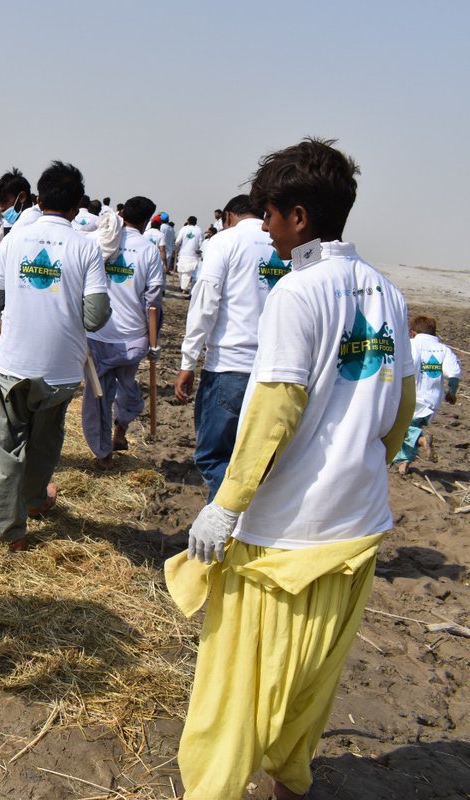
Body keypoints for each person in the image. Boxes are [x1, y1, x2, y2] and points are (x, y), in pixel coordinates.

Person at [169, 138, 415, 800]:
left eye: (270, 216)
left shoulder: (299, 293)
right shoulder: (388, 294)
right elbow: (402, 408)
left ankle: (211, 790)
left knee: (234, 687)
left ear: (299, 217)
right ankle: (288, 782)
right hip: (357, 526)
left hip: (285, 535)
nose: (266, 230)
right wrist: (358, 465)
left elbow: (274, 411)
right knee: (312, 677)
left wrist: (227, 502)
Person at [0, 161, 110, 551]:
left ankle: (8, 530)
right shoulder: (86, 246)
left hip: (14, 365)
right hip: (62, 369)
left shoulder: (15, 239)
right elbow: (96, 316)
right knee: (45, 440)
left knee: (4, 446)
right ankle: (35, 500)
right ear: (76, 207)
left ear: (38, 199)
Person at [173, 194, 288, 500]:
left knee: (215, 456)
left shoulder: (225, 241)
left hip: (230, 366)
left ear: (228, 216)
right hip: (277, 368)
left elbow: (205, 305)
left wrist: (188, 362)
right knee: (260, 459)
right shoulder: (288, 244)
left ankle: (228, 527)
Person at [80, 196, 164, 470]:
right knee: (128, 388)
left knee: (97, 396)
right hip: (133, 337)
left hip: (98, 336)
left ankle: (103, 452)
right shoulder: (148, 250)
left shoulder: (99, 242)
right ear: (146, 221)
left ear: (122, 213)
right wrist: (154, 340)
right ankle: (121, 426)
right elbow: (153, 301)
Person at [393, 315, 461, 474]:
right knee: (413, 426)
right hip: (432, 399)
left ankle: (422, 441)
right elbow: (454, 373)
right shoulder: (444, 350)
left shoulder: (411, 344)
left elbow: (402, 366)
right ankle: (404, 465)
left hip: (411, 394)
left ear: (413, 332)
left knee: (402, 427)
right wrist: (452, 393)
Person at [174, 215, 204, 294]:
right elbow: (201, 243)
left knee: (182, 271)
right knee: (187, 272)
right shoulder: (199, 230)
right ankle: (183, 287)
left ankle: (183, 288)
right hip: (193, 254)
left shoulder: (184, 229)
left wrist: (177, 246)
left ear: (188, 221)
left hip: (183, 253)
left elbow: (178, 241)